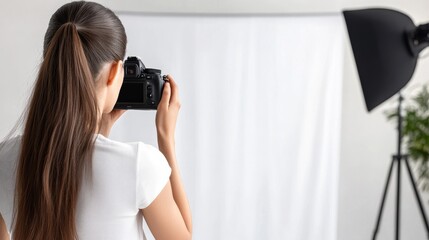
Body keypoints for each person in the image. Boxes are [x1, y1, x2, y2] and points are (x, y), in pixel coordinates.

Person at [0, 1, 192, 240]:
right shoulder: (139, 164)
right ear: (114, 72)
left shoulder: (4, 157)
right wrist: (166, 138)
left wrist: (102, 131)